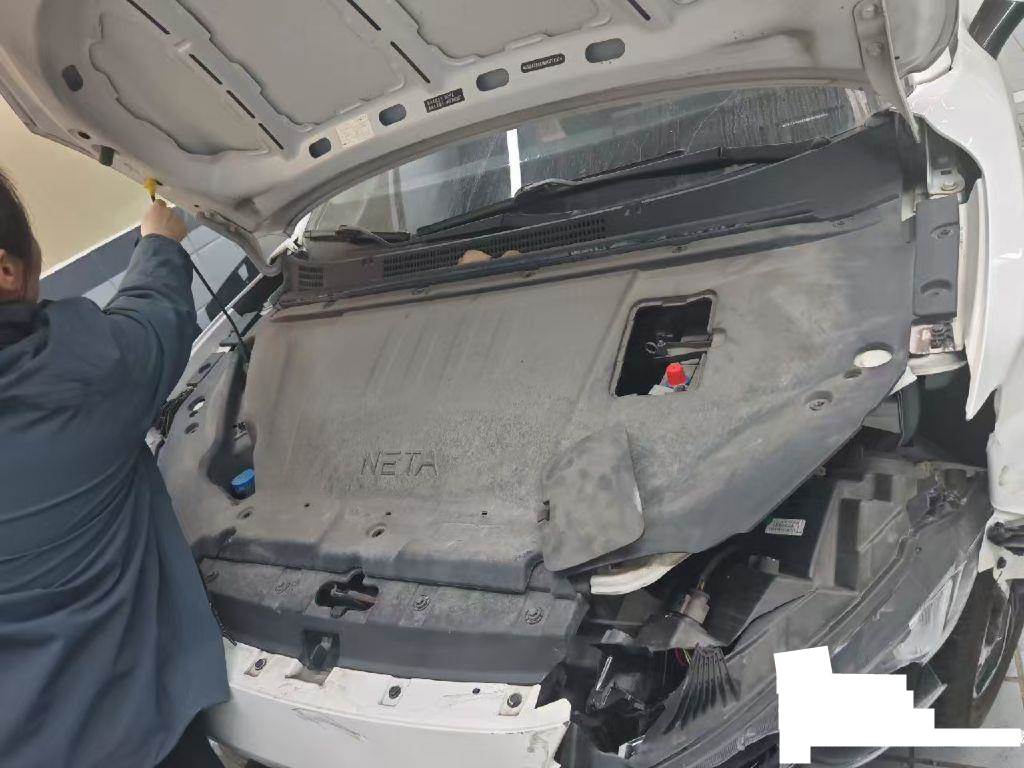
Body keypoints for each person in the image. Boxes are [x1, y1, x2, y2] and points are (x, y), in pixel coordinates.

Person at [0, 170, 229, 767]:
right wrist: (159, 242)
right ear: (6, 270)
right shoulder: (74, 372)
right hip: (130, 740)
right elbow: (152, 318)